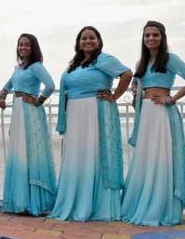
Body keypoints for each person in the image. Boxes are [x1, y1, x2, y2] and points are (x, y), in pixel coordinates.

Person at [121, 21, 185, 226]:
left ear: (162, 37)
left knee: (162, 157)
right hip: (145, 113)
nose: (151, 38)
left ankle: (161, 206)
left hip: (162, 112)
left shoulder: (171, 59)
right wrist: (136, 92)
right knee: (146, 158)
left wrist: (172, 99)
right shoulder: (142, 62)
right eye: (147, 35)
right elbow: (137, 85)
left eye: (155, 35)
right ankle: (142, 202)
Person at [50, 26, 132, 222]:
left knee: (95, 155)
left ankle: (98, 206)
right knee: (77, 156)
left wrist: (114, 96)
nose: (88, 41)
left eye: (92, 38)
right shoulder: (74, 65)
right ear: (78, 43)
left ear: (99, 41)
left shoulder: (105, 60)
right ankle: (76, 201)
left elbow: (127, 74)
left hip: (96, 112)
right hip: (75, 114)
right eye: (84, 38)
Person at [0, 33, 56, 215]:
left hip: (30, 112)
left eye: (27, 45)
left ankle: (34, 202)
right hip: (17, 110)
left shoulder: (36, 66)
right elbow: (8, 85)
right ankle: (20, 200)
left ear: (33, 48)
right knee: (19, 151)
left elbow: (50, 85)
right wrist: (2, 95)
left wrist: (39, 100)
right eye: (20, 44)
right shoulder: (18, 68)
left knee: (30, 152)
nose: (23, 47)